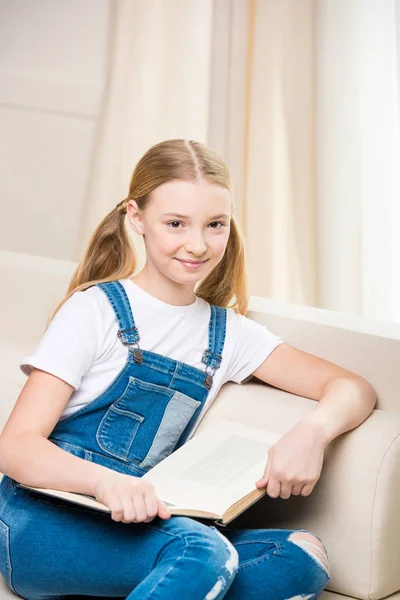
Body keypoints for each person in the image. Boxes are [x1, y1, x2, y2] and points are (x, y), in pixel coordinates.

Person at [0, 139, 376, 600]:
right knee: (202, 554)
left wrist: (313, 432)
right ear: (136, 218)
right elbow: (16, 447)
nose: (197, 244)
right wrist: (104, 482)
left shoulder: (230, 335)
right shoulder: (94, 310)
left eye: (215, 224)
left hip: (141, 525)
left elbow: (352, 388)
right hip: (37, 518)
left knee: (299, 556)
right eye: (175, 223)